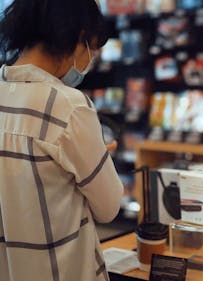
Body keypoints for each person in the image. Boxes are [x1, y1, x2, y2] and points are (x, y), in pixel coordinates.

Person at [0, 1, 123, 280]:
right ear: (78, 38)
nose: (89, 61)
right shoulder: (68, 106)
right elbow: (109, 207)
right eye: (91, 48)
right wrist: (97, 159)